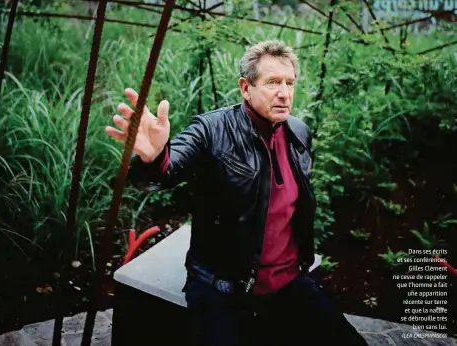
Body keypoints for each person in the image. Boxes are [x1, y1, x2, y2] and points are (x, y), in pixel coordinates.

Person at [105, 40, 369, 346]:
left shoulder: (298, 133)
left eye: (289, 83)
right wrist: (154, 158)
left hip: (288, 282)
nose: (284, 93)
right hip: (221, 291)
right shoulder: (212, 130)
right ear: (246, 88)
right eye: (272, 82)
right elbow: (169, 168)